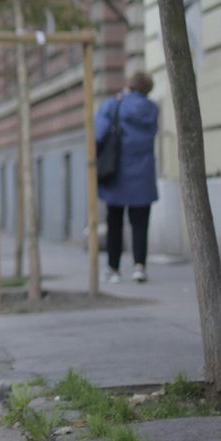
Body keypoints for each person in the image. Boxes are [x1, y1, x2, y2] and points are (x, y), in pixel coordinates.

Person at [94, 70, 159, 283]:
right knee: (140, 222)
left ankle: (113, 268)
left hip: (117, 172)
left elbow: (98, 133)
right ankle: (139, 266)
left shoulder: (115, 105)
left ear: (129, 85)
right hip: (144, 172)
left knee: (115, 222)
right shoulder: (152, 109)